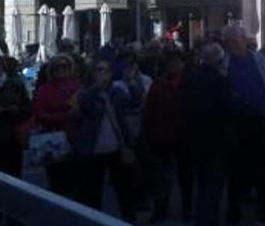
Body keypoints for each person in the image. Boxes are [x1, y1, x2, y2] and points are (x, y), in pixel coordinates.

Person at [223, 25, 265, 225]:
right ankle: (234, 215)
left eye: (234, 40)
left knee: (263, 173)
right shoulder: (224, 63)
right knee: (235, 174)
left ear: (244, 40)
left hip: (260, 122)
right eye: (228, 41)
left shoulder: (260, 60)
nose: (231, 45)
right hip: (236, 125)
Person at [70, 59, 138, 222]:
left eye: (105, 71)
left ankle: (128, 219)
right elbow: (79, 112)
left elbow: (133, 104)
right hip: (93, 149)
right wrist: (95, 90)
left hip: (117, 147)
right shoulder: (84, 93)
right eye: (98, 70)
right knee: (93, 190)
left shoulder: (117, 92)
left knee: (124, 188)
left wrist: (133, 83)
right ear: (92, 73)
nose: (102, 74)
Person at [182, 43, 233, 226]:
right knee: (212, 189)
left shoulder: (190, 79)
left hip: (194, 140)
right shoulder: (220, 81)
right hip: (215, 142)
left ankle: (201, 219)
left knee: (202, 184)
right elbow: (227, 110)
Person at [143, 50, 192, 222]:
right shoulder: (158, 84)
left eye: (177, 62)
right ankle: (161, 208)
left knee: (185, 177)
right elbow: (149, 110)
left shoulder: (188, 83)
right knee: (162, 177)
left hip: (183, 137)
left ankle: (187, 209)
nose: (174, 65)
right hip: (162, 137)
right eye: (171, 62)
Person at [32, 55, 81, 199]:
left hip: (77, 139)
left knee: (78, 182)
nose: (62, 70)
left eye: (65, 66)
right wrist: (65, 116)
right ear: (51, 70)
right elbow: (39, 115)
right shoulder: (44, 90)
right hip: (54, 139)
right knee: (58, 183)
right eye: (57, 67)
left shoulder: (78, 86)